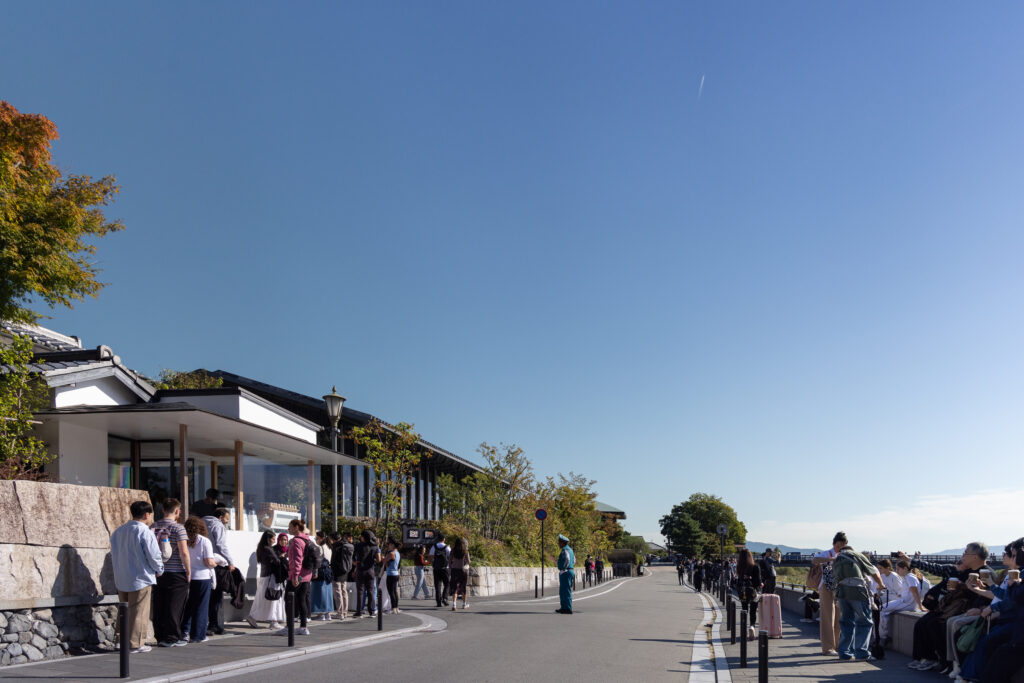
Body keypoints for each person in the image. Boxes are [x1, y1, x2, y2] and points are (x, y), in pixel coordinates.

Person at [899, 543, 992, 673]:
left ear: (975, 556)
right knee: (922, 622)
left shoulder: (985, 573)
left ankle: (947, 662)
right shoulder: (961, 571)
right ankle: (926, 658)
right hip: (952, 607)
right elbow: (935, 569)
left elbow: (990, 596)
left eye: (965, 553)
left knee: (936, 624)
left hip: (967, 610)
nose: (963, 556)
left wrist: (977, 606)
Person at [110, 500, 164, 654]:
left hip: (122, 576)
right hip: (141, 576)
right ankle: (136, 643)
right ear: (147, 514)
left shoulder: (118, 531)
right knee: (139, 611)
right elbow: (153, 555)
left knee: (124, 610)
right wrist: (159, 569)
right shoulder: (145, 531)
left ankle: (120, 641)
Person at [832, 538, 885, 660]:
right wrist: (881, 584)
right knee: (865, 622)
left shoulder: (837, 559)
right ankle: (861, 652)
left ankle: (844, 653)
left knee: (846, 622)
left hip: (842, 593)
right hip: (857, 592)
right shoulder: (857, 555)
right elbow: (873, 572)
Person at [151, 498, 191, 647]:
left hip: (158, 572)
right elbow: (184, 552)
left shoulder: (153, 526)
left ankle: (160, 635)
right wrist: (188, 571)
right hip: (176, 572)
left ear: (163, 510)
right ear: (177, 511)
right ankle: (172, 636)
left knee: (159, 604)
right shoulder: (178, 528)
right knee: (175, 605)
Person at [180, 516, 218, 643]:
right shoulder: (204, 541)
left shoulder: (183, 540)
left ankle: (184, 631)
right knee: (201, 607)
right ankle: (198, 635)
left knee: (188, 606)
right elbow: (208, 561)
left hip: (187, 576)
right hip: (202, 577)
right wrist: (216, 563)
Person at [277, 519, 314, 636]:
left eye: (290, 527)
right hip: (307, 576)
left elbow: (297, 560)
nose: (288, 529)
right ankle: (303, 627)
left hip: (297, 576)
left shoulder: (296, 541)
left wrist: (295, 576)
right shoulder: (307, 539)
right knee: (302, 600)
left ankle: (289, 627)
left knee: (289, 600)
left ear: (296, 527)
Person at [812, 532, 846, 656]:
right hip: (826, 587)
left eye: (842, 546)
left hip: (839, 588)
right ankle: (827, 648)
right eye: (838, 546)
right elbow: (815, 560)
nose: (839, 548)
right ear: (834, 544)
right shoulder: (828, 553)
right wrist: (833, 559)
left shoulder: (845, 555)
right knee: (827, 617)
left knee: (839, 618)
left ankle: (836, 646)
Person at [201, 507, 234, 635]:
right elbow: (221, 545)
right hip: (217, 562)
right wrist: (230, 561)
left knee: (207, 595)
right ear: (220, 517)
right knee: (217, 595)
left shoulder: (202, 523)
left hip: (202, 562)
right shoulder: (218, 525)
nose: (227, 521)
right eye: (226, 518)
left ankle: (207, 624)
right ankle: (216, 625)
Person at [246, 531, 285, 629]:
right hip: (270, 577)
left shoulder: (262, 548)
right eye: (273, 539)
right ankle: (273, 620)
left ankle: (254, 617)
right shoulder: (268, 549)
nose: (274, 541)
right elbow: (276, 561)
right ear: (268, 539)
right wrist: (281, 557)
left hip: (265, 576)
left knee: (263, 599)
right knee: (272, 599)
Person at [877, 560, 921, 644]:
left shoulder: (910, 578)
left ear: (905, 568)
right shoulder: (907, 577)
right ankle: (882, 636)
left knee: (882, 609)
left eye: (898, 569)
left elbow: (915, 593)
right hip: (903, 602)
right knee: (883, 609)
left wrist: (920, 606)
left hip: (907, 603)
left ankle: (883, 637)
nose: (896, 571)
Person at [353, 529, 381, 618]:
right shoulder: (375, 547)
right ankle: (372, 611)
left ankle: (359, 611)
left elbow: (353, 557)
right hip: (370, 570)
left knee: (360, 592)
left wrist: (355, 562)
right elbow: (379, 559)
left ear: (364, 537)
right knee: (371, 591)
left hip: (360, 570)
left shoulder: (358, 546)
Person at [735, 549, 763, 633]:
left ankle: (743, 627)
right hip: (753, 591)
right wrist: (760, 584)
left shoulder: (739, 567)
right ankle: (752, 626)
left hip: (742, 592)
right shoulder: (755, 567)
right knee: (753, 611)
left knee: (744, 609)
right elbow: (758, 582)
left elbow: (738, 580)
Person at [330, 531, 354, 619]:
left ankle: (340, 613)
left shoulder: (336, 546)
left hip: (337, 571)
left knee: (337, 592)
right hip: (345, 571)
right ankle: (345, 612)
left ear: (333, 539)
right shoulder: (346, 544)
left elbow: (333, 560)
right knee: (344, 591)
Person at [310, 530, 333, 620]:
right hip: (328, 572)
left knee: (319, 592)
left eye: (317, 538)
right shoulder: (329, 547)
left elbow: (317, 562)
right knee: (327, 593)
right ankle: (327, 613)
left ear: (322, 538)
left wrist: (314, 572)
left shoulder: (320, 548)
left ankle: (321, 614)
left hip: (320, 571)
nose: (316, 540)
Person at [430, 533, 451, 607]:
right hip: (445, 568)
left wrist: (433, 564)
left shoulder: (434, 547)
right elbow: (450, 557)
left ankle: (438, 602)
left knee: (437, 585)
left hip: (436, 568)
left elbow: (431, 557)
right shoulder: (447, 547)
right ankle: (445, 598)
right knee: (447, 584)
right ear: (444, 539)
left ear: (438, 539)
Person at [555, 534, 575, 615]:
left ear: (563, 543)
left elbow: (567, 559)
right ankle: (564, 607)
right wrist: (571, 567)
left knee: (565, 590)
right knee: (563, 590)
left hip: (566, 572)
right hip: (569, 571)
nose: (558, 544)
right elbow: (574, 560)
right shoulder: (571, 550)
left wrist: (564, 568)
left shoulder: (565, 550)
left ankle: (567, 608)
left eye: (559, 542)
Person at [450, 538, 470, 611]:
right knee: (463, 587)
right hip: (463, 571)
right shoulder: (465, 551)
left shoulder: (453, 551)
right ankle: (464, 604)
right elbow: (468, 561)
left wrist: (451, 567)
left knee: (454, 587)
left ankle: (454, 605)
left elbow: (449, 561)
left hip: (454, 570)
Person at [383, 538, 403, 614]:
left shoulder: (391, 553)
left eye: (390, 544)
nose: (388, 546)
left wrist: (383, 559)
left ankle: (393, 608)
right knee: (394, 591)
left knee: (391, 592)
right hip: (396, 574)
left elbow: (385, 562)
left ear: (393, 545)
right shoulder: (397, 553)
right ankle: (396, 607)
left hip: (390, 574)